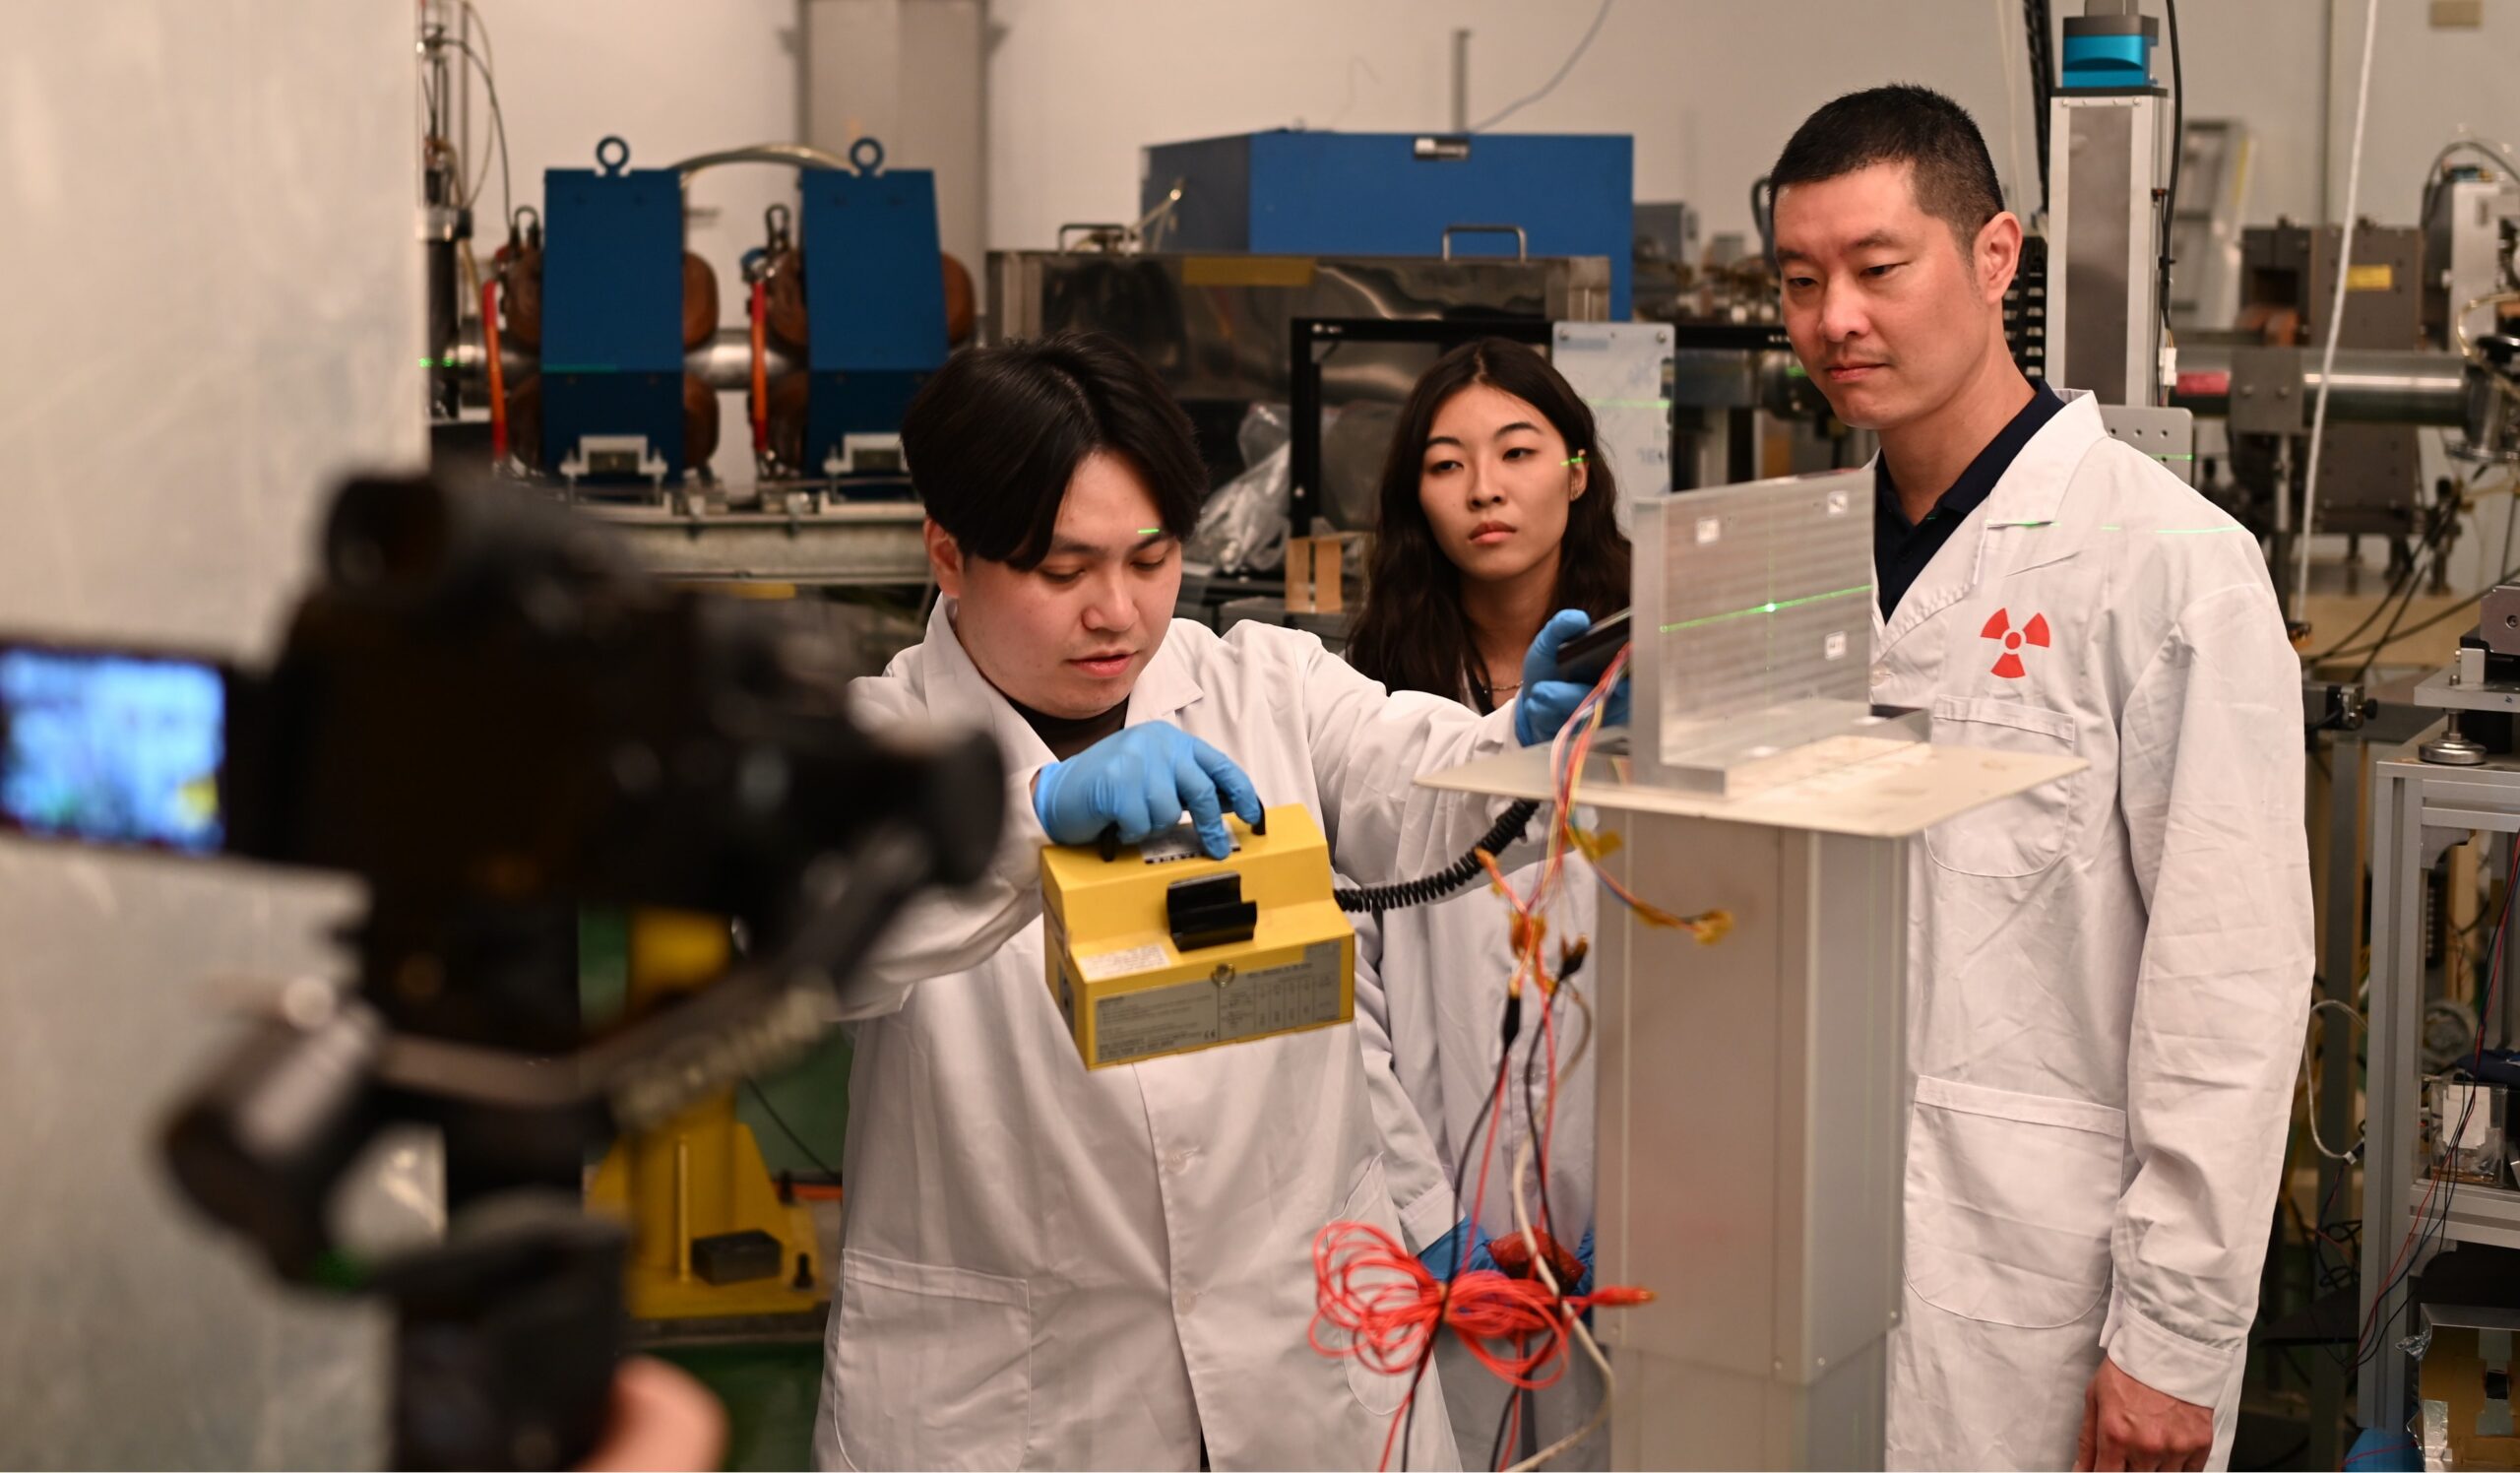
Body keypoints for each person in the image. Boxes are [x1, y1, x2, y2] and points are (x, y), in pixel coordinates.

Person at [809, 330, 1620, 1471]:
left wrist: (1524, 747)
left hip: (1304, 1370)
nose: (1117, 612)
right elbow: (814, 937)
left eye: (1150, 558)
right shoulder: (874, 743)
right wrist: (1035, 813)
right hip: (1020, 1401)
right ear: (948, 552)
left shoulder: (1262, 684)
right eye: (1063, 571)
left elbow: (1414, 775)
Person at [1766, 85, 2312, 1472]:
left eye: (1877, 268)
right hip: (1801, 1259)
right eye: (1801, 281)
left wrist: (2174, 1336)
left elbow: (2230, 988)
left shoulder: (2170, 568)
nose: (1836, 319)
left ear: (1996, 256)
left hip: (2046, 1284)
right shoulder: (1795, 564)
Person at [1344, 337, 1630, 1467]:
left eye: (1516, 451)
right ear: (1413, 496)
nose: (1483, 489)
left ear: (1577, 471)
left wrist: (1664, 1196)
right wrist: (1426, 1216)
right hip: (1436, 1194)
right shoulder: (1362, 710)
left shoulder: (1644, 693)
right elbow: (1340, 988)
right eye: (1445, 462)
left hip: (1630, 1182)